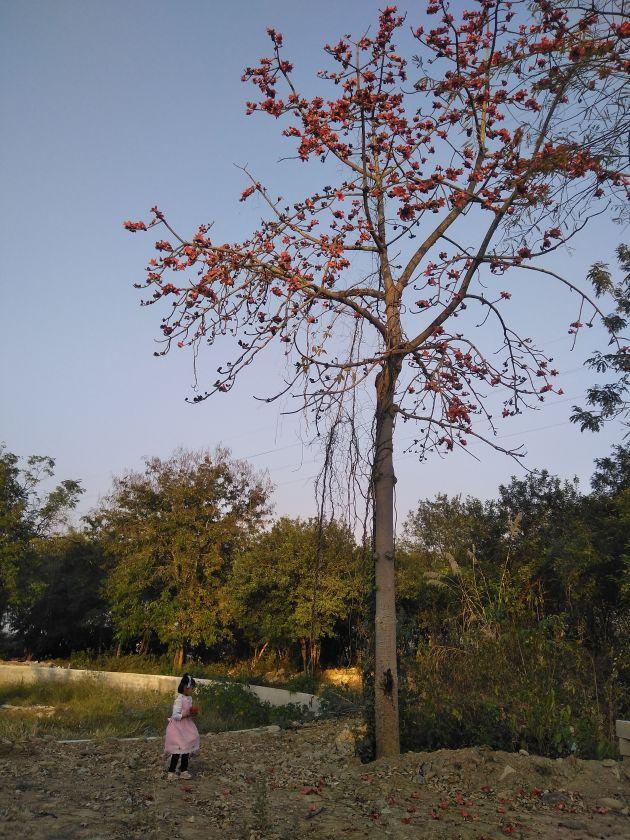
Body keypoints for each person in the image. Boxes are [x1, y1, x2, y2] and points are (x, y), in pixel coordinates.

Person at [164, 673, 200, 780]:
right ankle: (171, 771)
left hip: (186, 726)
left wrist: (193, 713)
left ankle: (184, 770)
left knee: (187, 748)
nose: (192, 690)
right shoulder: (179, 699)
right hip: (178, 727)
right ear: (185, 687)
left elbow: (188, 710)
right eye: (191, 688)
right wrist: (186, 715)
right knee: (178, 749)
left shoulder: (189, 698)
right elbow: (175, 715)